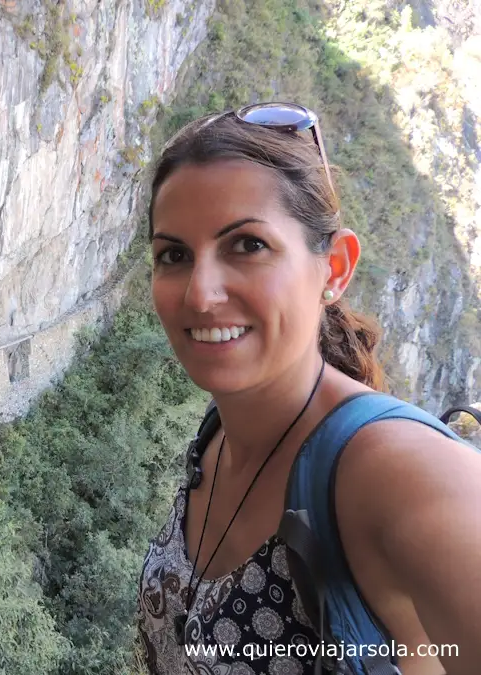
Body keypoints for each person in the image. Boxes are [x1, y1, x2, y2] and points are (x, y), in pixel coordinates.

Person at [136, 103, 481, 675]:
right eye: (174, 255)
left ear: (335, 268)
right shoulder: (218, 436)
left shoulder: (391, 470)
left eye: (247, 245)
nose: (199, 294)